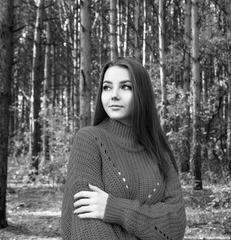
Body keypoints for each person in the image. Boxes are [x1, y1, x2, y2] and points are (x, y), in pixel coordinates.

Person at [61, 57, 186, 239]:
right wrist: (150, 221)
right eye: (107, 87)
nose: (114, 95)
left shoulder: (160, 152)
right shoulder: (90, 140)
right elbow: (86, 225)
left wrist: (115, 209)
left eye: (125, 87)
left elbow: (176, 224)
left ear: (142, 93)